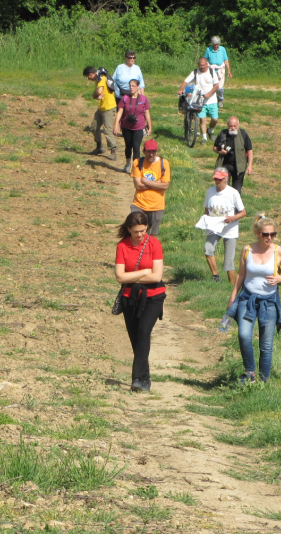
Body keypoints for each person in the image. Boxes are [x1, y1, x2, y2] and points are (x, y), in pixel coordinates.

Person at [226, 215, 281, 384]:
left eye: (272, 234)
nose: (269, 238)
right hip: (247, 299)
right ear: (257, 233)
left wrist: (280, 278)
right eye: (265, 234)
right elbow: (241, 273)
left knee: (266, 345)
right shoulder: (247, 250)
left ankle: (263, 381)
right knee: (244, 335)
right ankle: (250, 372)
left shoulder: (279, 251)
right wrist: (233, 295)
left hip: (269, 301)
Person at [114, 211, 166, 393]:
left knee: (144, 331)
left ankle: (136, 378)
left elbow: (157, 276)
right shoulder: (122, 246)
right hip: (130, 297)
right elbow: (119, 276)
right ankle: (145, 378)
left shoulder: (154, 244)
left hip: (154, 296)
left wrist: (132, 277)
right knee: (136, 338)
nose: (140, 235)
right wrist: (144, 272)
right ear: (129, 229)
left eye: (143, 231)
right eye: (136, 231)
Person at [202, 167, 246, 284]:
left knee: (229, 261)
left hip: (230, 230)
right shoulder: (210, 191)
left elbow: (243, 212)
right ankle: (215, 276)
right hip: (214, 228)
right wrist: (205, 220)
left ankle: (231, 287)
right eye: (216, 179)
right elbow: (206, 209)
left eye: (220, 179)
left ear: (226, 179)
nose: (217, 182)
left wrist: (232, 218)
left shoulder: (233, 193)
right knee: (208, 249)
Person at [130, 140, 171, 236]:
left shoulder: (164, 163)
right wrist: (157, 184)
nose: (151, 154)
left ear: (157, 152)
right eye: (148, 151)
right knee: (137, 233)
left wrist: (146, 181)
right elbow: (138, 185)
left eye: (153, 151)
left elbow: (165, 186)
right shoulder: (137, 162)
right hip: (139, 204)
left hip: (157, 206)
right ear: (144, 151)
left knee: (152, 237)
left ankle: (149, 251)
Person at [114, 80, 152, 173]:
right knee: (128, 146)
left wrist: (150, 126)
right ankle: (127, 163)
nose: (131, 88)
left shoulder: (143, 99)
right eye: (130, 86)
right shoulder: (125, 98)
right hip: (126, 126)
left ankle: (136, 167)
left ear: (138, 87)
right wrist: (116, 125)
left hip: (139, 127)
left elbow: (147, 113)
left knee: (136, 147)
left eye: (133, 86)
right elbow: (120, 112)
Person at [178, 57, 219, 142]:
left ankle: (210, 130)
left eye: (204, 65)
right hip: (200, 100)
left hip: (212, 100)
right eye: (200, 65)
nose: (202, 67)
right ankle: (204, 138)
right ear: (198, 65)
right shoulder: (195, 72)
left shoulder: (211, 72)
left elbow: (216, 86)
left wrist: (209, 94)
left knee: (215, 119)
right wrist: (181, 89)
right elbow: (186, 81)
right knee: (202, 119)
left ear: (207, 64)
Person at [82, 66, 117, 161]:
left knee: (107, 130)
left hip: (109, 107)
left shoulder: (102, 78)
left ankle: (113, 152)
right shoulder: (98, 79)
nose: (88, 79)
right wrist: (95, 95)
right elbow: (98, 94)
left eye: (87, 77)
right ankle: (99, 147)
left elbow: (99, 91)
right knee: (94, 127)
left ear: (91, 74)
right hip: (102, 107)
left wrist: (94, 94)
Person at [213, 116, 253, 194]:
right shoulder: (222, 134)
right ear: (227, 125)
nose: (233, 128)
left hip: (239, 167)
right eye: (231, 126)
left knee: (237, 191)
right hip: (225, 166)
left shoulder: (243, 134)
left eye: (235, 126)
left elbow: (250, 150)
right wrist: (221, 152)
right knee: (223, 189)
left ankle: (235, 206)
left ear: (238, 125)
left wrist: (250, 165)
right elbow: (215, 147)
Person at [203, 36, 232, 109]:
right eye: (215, 44)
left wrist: (229, 70)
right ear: (212, 43)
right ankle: (211, 100)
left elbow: (226, 60)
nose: (217, 45)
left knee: (220, 88)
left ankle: (220, 99)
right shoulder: (208, 50)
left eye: (218, 44)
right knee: (211, 86)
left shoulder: (222, 49)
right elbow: (204, 60)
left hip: (220, 70)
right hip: (211, 70)